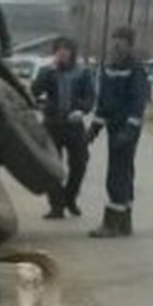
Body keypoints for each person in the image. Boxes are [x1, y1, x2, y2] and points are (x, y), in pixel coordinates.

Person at [87, 25, 150, 238]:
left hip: (126, 130)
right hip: (114, 127)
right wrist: (94, 129)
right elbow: (104, 103)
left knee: (118, 174)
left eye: (120, 41)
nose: (115, 45)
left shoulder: (135, 69)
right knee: (123, 171)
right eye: (114, 40)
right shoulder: (109, 67)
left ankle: (112, 224)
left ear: (129, 45)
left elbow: (138, 102)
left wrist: (129, 131)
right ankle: (124, 222)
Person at [31, 36, 95, 219]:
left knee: (79, 163)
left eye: (66, 50)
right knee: (52, 166)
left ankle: (70, 198)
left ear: (72, 53)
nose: (63, 53)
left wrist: (81, 110)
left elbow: (90, 97)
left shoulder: (83, 73)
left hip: (74, 124)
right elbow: (34, 92)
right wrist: (45, 74)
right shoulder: (47, 71)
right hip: (52, 123)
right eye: (59, 50)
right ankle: (56, 205)